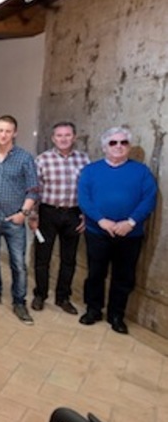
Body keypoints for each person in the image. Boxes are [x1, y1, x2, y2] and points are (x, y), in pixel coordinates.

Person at [77, 127, 157, 334]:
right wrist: (101, 220)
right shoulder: (91, 171)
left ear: (129, 147)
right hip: (97, 232)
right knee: (95, 274)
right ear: (105, 147)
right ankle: (93, 310)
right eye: (113, 143)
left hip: (130, 234)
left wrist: (130, 222)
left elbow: (149, 199)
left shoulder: (141, 172)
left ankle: (116, 315)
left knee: (124, 277)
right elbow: (84, 199)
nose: (119, 146)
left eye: (123, 142)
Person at [0, 115, 39, 325]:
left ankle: (19, 301)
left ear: (15, 133)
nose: (3, 135)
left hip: (14, 220)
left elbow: (33, 190)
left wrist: (23, 213)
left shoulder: (25, 158)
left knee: (18, 263)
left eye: (8, 131)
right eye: (0, 130)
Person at [29, 121, 90, 315]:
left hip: (73, 213)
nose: (63, 139)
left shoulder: (84, 160)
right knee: (42, 258)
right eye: (59, 135)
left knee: (68, 259)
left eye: (67, 135)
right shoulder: (42, 160)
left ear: (74, 137)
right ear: (53, 138)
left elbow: (89, 191)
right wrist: (33, 215)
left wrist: (86, 216)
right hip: (48, 212)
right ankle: (40, 294)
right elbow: (34, 190)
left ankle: (63, 297)